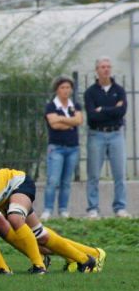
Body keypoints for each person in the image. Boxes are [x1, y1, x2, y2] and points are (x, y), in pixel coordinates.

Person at [84, 57, 130, 218]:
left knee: (119, 174)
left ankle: (120, 207)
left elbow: (121, 112)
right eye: (103, 67)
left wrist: (101, 109)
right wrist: (111, 109)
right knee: (94, 174)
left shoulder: (119, 90)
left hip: (116, 134)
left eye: (108, 67)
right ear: (97, 70)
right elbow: (92, 116)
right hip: (96, 134)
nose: (106, 69)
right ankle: (93, 208)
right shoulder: (90, 92)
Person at [40, 76, 83, 220]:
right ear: (57, 90)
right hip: (56, 147)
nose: (66, 90)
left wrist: (62, 119)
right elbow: (54, 124)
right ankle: (48, 209)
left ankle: (63, 209)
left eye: (68, 87)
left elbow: (79, 120)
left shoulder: (75, 105)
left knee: (66, 181)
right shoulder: (51, 106)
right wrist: (70, 123)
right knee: (53, 179)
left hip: (73, 148)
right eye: (62, 88)